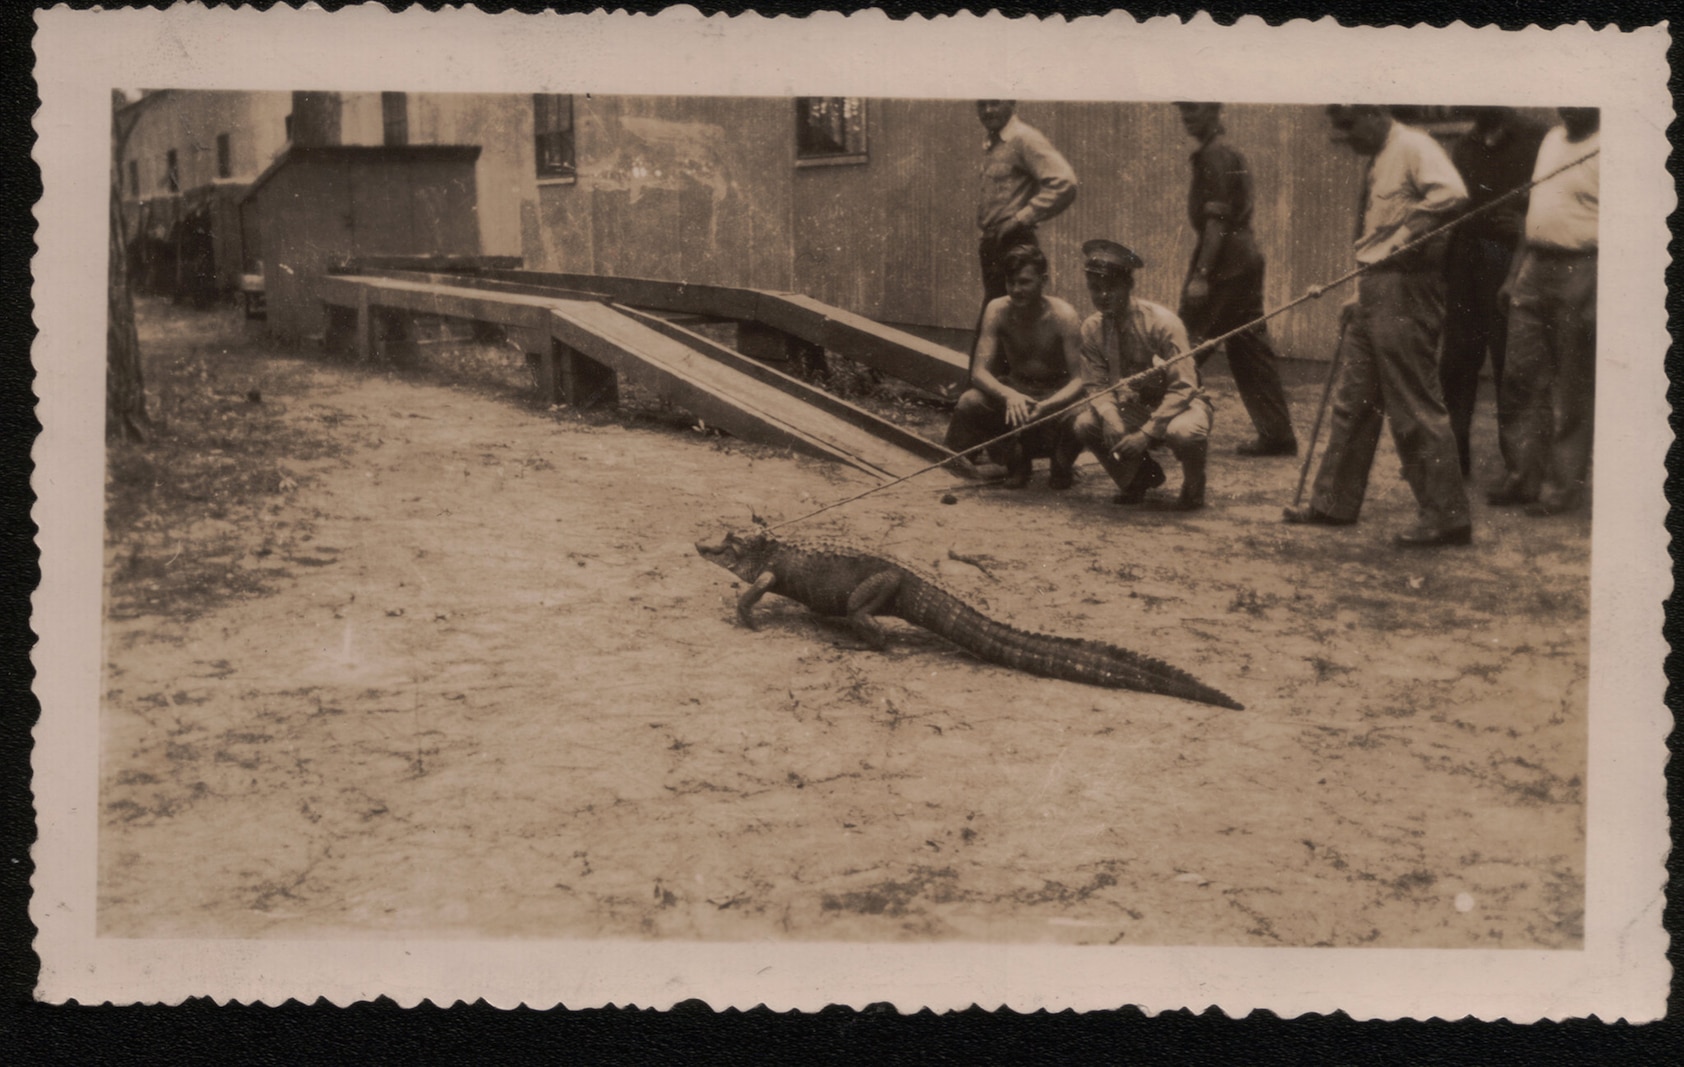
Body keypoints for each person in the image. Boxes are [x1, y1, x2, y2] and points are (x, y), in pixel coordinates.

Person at [1284, 105, 1473, 547]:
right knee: (1353, 401)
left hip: (1407, 289)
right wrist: (1360, 291)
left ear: (1373, 112)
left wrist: (1407, 238)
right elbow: (1374, 236)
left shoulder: (1414, 146)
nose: (1345, 137)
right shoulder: (1379, 157)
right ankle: (1333, 503)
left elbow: (1451, 194)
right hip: (1374, 286)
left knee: (1412, 404)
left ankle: (1445, 516)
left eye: (1349, 126)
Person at [1490, 107, 1599, 515]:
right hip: (1535, 265)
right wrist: (1514, 274)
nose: (1568, 105)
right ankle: (1523, 477)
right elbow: (1535, 211)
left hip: (1583, 265)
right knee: (1520, 374)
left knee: (1573, 384)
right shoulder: (1552, 140)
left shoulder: (1612, 145)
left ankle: (1561, 489)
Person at [1174, 102, 1298, 458]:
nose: (1188, 120)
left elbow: (1216, 223)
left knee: (1184, 343)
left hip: (1225, 261)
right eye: (1184, 114)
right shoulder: (1225, 153)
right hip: (1245, 258)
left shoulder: (1214, 157)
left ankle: (1147, 424)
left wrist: (1201, 276)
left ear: (1214, 112)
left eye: (1194, 111)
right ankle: (1277, 434)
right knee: (1249, 348)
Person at [1440, 106, 1549, 478]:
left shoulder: (1536, 139)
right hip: (1465, 259)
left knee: (1511, 364)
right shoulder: (1465, 144)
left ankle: (1519, 469)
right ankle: (1454, 458)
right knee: (1455, 360)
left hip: (1508, 259)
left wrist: (1525, 225)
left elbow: (1554, 198)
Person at [1071, 239, 1214, 511]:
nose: (1102, 296)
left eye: (1111, 287)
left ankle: (1194, 487)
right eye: (1095, 288)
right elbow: (1095, 383)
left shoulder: (1161, 322)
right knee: (1086, 424)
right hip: (1139, 404)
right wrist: (1112, 418)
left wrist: (1146, 434)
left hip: (1183, 403)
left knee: (1183, 433)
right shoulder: (1092, 328)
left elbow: (1184, 386)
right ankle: (1137, 478)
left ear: (1128, 286)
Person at [943, 244, 1086, 489]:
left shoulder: (1064, 315)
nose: (1016, 290)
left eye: (1024, 282)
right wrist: (1009, 394)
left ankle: (1062, 463)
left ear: (1044, 280)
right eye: (1011, 282)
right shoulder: (997, 310)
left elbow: (1080, 379)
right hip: (1018, 387)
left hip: (1056, 392)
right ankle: (1016, 461)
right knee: (971, 401)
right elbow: (978, 372)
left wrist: (1048, 405)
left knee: (1085, 413)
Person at [975, 100, 1078, 309]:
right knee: (998, 313)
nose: (987, 111)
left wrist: (1019, 220)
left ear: (1011, 102)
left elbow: (1064, 182)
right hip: (993, 243)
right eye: (981, 104)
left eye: (994, 103)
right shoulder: (993, 142)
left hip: (1014, 241)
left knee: (1006, 313)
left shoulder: (1024, 138)